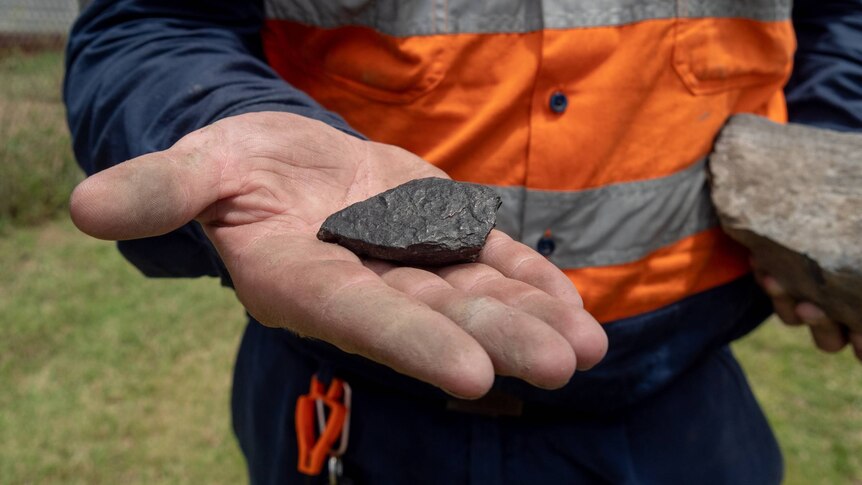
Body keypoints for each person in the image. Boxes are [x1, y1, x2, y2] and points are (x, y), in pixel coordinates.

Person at [64, 1, 862, 483]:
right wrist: (213, 120)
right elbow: (153, 22)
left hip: (679, 411)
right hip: (353, 406)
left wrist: (825, 194)